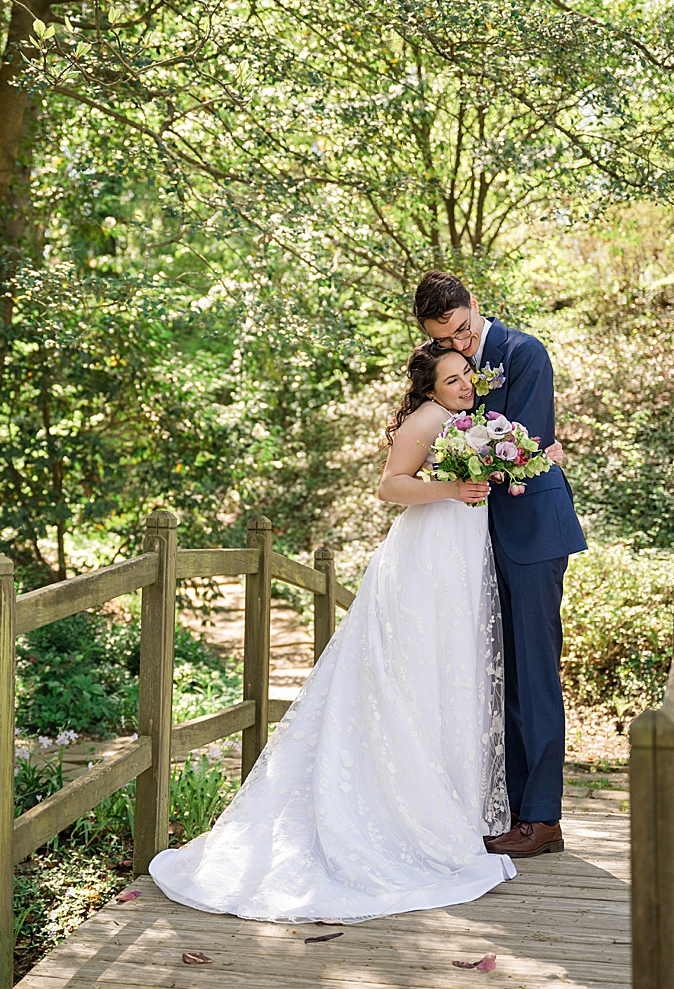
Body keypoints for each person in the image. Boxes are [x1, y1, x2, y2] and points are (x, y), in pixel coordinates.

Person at [148, 341, 517, 923]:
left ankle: (445, 805)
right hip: (425, 558)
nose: (464, 384)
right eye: (452, 380)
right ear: (429, 389)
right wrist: (453, 488)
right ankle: (407, 812)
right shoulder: (427, 420)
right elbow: (391, 485)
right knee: (415, 674)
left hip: (459, 553)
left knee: (450, 674)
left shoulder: (467, 421)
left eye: (466, 374)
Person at [413, 270, 587, 858]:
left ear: (474, 307)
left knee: (535, 674)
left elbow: (525, 445)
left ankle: (543, 820)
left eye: (463, 332)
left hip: (533, 535)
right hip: (476, 541)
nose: (459, 347)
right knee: (498, 674)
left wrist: (511, 450)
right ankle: (506, 806)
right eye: (447, 340)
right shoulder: (447, 360)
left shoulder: (524, 352)